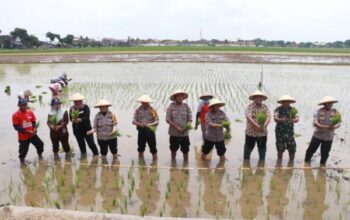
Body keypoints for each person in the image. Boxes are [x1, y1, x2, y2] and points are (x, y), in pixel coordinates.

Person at [304, 96, 341, 166]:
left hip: (329, 136)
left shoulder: (336, 112)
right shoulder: (318, 111)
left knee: (325, 153)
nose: (330, 104)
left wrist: (334, 127)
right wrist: (324, 127)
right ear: (324, 104)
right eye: (328, 103)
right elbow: (315, 122)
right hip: (318, 135)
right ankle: (306, 164)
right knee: (310, 150)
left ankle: (322, 166)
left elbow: (339, 123)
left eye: (331, 103)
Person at [12, 98, 44, 163]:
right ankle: (22, 161)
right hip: (23, 137)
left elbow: (33, 122)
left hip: (32, 134)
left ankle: (40, 156)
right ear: (19, 105)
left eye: (25, 104)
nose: (24, 106)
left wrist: (35, 128)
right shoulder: (15, 115)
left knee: (40, 144)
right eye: (22, 105)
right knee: (23, 151)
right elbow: (16, 127)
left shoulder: (30, 112)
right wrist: (26, 131)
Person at [243, 90, 271, 161]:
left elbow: (268, 116)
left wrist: (264, 126)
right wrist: (257, 126)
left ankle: (262, 162)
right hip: (251, 132)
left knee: (262, 148)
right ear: (254, 98)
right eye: (257, 97)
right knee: (249, 147)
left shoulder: (265, 107)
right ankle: (246, 162)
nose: (259, 98)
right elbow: (249, 117)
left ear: (262, 98)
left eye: (260, 97)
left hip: (262, 132)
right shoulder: (250, 107)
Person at [166, 90, 192, 161]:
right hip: (173, 133)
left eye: (181, 96)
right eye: (178, 96)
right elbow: (168, 119)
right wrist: (177, 127)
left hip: (184, 134)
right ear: (175, 97)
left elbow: (190, 119)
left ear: (183, 97)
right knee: (173, 149)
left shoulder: (187, 107)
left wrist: (186, 126)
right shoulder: (171, 107)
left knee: (185, 150)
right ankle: (173, 163)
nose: (180, 97)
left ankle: (186, 164)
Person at [132, 95, 159, 161]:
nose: (144, 103)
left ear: (148, 102)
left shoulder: (153, 110)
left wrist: (150, 124)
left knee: (153, 148)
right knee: (140, 148)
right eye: (143, 102)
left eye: (146, 102)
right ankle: (141, 163)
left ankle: (155, 164)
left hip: (150, 131)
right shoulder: (137, 110)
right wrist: (139, 124)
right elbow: (133, 121)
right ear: (141, 102)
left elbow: (157, 121)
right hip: (141, 131)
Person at [274, 95, 299, 162]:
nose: (286, 102)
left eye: (288, 101)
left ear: (290, 102)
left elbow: (297, 118)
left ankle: (291, 163)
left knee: (292, 148)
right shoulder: (278, 109)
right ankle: (279, 163)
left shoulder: (293, 110)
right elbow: (275, 118)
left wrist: (293, 120)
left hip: (290, 132)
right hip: (280, 133)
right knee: (280, 148)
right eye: (284, 101)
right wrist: (281, 119)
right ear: (282, 102)